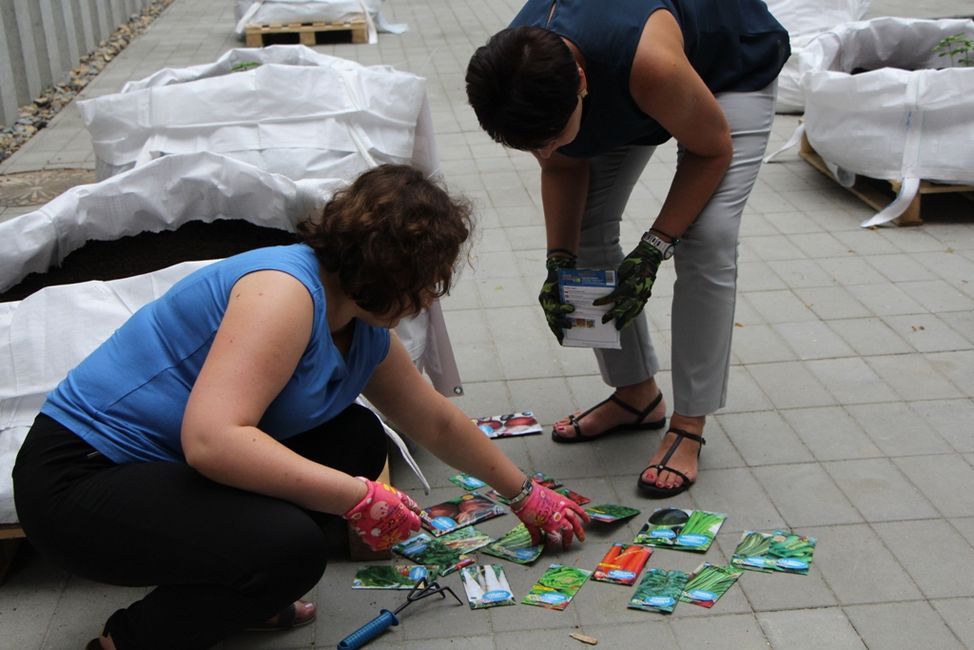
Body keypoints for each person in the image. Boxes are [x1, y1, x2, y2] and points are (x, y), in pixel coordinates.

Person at [12, 164, 589, 650]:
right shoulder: (283, 294)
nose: (430, 299)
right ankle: (129, 639)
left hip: (160, 469)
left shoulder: (359, 324)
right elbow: (213, 442)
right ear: (391, 273)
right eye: (428, 282)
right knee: (289, 551)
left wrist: (524, 495)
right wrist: (359, 498)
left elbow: (431, 418)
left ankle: (235, 589)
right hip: (77, 484)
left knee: (356, 438)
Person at [465, 0, 790, 498]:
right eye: (531, 146)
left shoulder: (646, 64)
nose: (542, 154)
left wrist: (655, 246)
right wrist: (559, 262)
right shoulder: (523, 66)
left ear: (581, 83)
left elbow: (712, 148)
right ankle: (636, 395)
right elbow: (562, 164)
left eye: (549, 138)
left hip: (726, 59)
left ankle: (689, 422)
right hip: (628, 76)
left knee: (707, 236)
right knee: (587, 229)